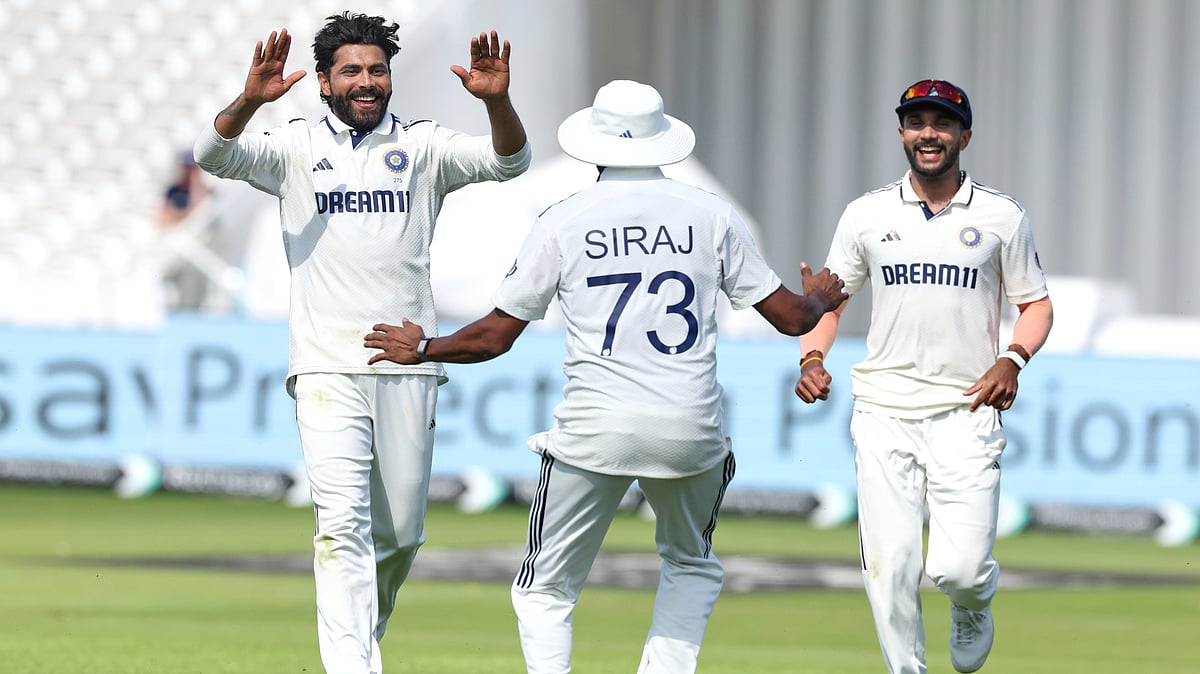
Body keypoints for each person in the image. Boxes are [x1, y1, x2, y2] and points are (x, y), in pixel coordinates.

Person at [363, 79, 847, 674]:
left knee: (545, 587)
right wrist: (821, 297)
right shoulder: (712, 214)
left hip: (595, 428)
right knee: (690, 565)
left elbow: (495, 336)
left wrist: (425, 348)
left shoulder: (563, 218)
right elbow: (791, 318)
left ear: (590, 146)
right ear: (663, 143)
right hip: (690, 427)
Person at [192, 12, 530, 673]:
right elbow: (213, 158)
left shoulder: (424, 145)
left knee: (400, 536)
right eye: (351, 70)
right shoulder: (292, 148)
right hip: (325, 367)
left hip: (406, 367)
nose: (367, 81)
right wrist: (248, 102)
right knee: (341, 527)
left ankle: (357, 643)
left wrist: (499, 103)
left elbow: (508, 161)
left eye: (377, 69)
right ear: (324, 82)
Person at [793, 79, 1054, 674]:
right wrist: (811, 358)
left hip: (966, 410)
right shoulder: (866, 214)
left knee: (956, 569)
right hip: (883, 410)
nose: (928, 134)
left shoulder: (1001, 216)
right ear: (902, 133)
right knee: (892, 567)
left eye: (941, 123)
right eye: (916, 123)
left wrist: (1012, 359)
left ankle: (972, 604)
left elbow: (1035, 304)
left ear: (965, 135)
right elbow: (828, 303)